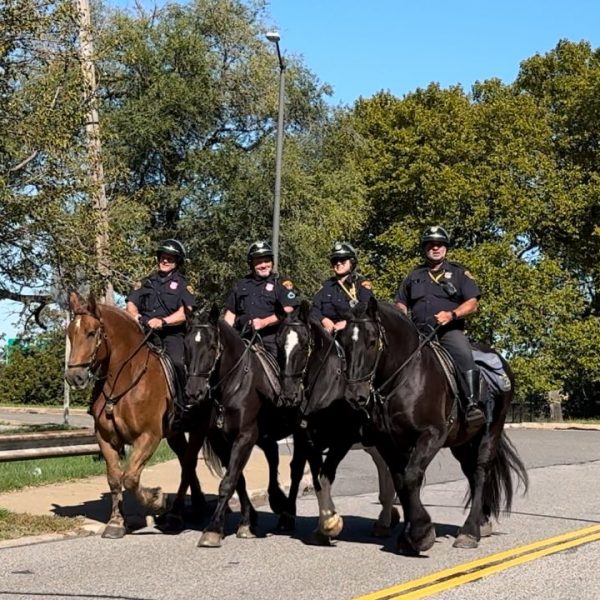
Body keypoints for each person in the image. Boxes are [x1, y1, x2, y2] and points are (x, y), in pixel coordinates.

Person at [394, 225, 485, 428]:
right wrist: (402, 317)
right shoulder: (413, 275)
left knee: (463, 353)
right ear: (425, 248)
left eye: (440, 245)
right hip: (417, 333)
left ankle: (472, 404)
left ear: (446, 248)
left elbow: (472, 303)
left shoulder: (459, 273)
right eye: (431, 245)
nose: (436, 248)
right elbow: (401, 302)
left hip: (447, 331)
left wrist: (452, 314)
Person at [126, 239, 196, 412]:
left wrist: (163, 321)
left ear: (177, 262)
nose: (165, 261)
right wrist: (136, 316)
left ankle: (182, 404)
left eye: (170, 258)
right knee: (117, 356)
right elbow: (131, 304)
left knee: (178, 364)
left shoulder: (183, 285)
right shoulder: (146, 282)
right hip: (143, 333)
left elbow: (186, 312)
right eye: (163, 257)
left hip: (171, 336)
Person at [224, 241, 298, 358]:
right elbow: (231, 313)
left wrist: (264, 322)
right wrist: (225, 334)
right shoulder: (241, 284)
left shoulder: (282, 283)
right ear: (251, 264)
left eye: (267, 261)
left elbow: (288, 309)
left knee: (283, 368)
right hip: (241, 337)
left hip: (270, 339)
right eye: (258, 261)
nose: (263, 265)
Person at [311, 241, 374, 333]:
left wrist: (348, 322)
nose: (338, 263)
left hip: (354, 333)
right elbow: (314, 308)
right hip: (328, 334)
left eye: (343, 260)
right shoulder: (327, 286)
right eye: (335, 260)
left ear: (352, 262)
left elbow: (367, 305)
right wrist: (323, 319)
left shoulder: (361, 283)